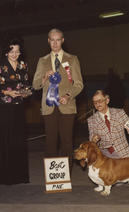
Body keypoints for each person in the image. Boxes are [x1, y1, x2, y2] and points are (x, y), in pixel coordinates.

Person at [32, 28, 83, 171]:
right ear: (48, 41)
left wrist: (68, 95)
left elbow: (79, 84)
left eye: (58, 40)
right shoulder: (42, 61)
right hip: (48, 107)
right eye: (52, 40)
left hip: (67, 106)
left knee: (67, 142)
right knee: (50, 143)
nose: (55, 43)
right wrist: (44, 78)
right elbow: (35, 85)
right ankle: (53, 178)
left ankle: (65, 176)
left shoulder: (72, 59)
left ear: (62, 41)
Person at [0, 38, 32, 185]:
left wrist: (26, 92)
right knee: (5, 140)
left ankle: (19, 176)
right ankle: (3, 177)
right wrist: (8, 93)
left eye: (17, 51)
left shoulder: (23, 65)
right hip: (4, 108)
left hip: (19, 107)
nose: (15, 54)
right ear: (6, 52)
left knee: (18, 141)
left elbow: (26, 84)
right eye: (12, 51)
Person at [87, 90, 129, 159]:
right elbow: (91, 138)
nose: (97, 104)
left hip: (123, 153)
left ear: (107, 100)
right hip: (104, 156)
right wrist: (94, 139)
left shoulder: (120, 113)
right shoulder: (91, 120)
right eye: (95, 102)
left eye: (100, 101)